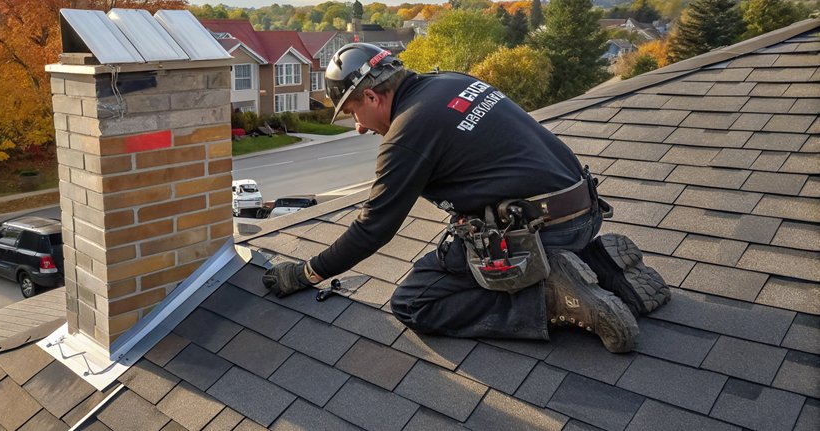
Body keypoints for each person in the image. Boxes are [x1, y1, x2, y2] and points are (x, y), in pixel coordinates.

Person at [262, 43, 670, 353]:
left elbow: (374, 228)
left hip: (543, 233)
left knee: (414, 302)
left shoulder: (408, 132)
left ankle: (552, 299)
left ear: (372, 97)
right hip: (583, 211)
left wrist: (307, 273)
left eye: (352, 112)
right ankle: (600, 266)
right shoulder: (452, 82)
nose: (358, 127)